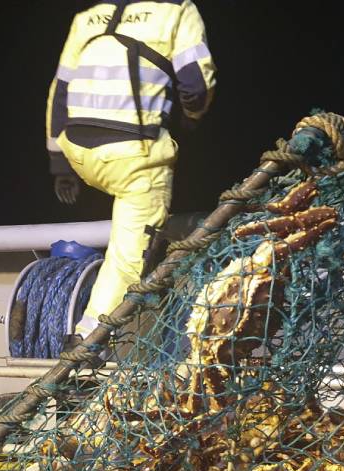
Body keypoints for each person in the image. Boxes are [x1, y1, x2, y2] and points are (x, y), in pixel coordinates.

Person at [46, 0, 217, 349]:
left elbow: (58, 95)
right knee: (127, 259)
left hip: (77, 152)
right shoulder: (177, 11)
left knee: (126, 198)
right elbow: (197, 85)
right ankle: (87, 340)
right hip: (132, 158)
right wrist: (191, 117)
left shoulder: (87, 18)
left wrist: (59, 163)